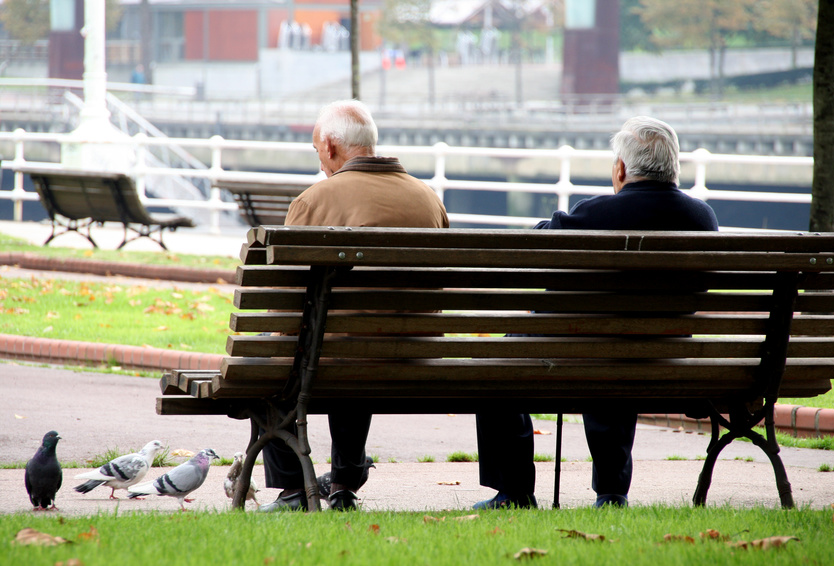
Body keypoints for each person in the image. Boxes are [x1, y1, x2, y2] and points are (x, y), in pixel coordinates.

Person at [474, 116, 719, 510]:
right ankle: (611, 492)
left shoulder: (595, 215)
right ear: (674, 168)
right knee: (615, 348)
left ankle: (515, 490)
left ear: (620, 169)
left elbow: (532, 246)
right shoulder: (702, 219)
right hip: (665, 354)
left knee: (493, 363)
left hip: (584, 351)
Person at [258, 99, 450, 512]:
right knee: (355, 337)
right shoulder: (429, 200)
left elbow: (286, 305)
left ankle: (293, 490)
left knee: (279, 350)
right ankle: (344, 483)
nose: (320, 161)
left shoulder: (314, 201)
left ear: (329, 145)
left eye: (317, 151)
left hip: (335, 362)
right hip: (415, 357)